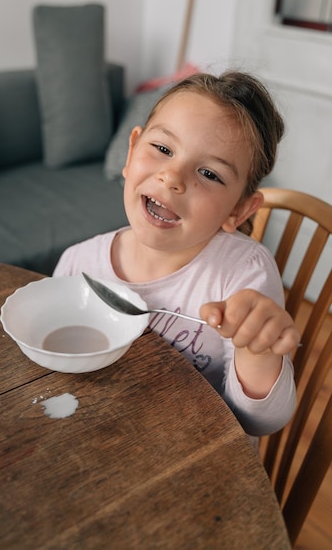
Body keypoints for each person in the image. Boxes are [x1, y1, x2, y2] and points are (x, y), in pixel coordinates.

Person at [54, 71, 299, 442]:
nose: (173, 177)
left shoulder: (242, 275)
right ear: (132, 150)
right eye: (164, 149)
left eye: (209, 173)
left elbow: (259, 423)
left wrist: (258, 354)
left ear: (239, 211)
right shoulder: (77, 265)